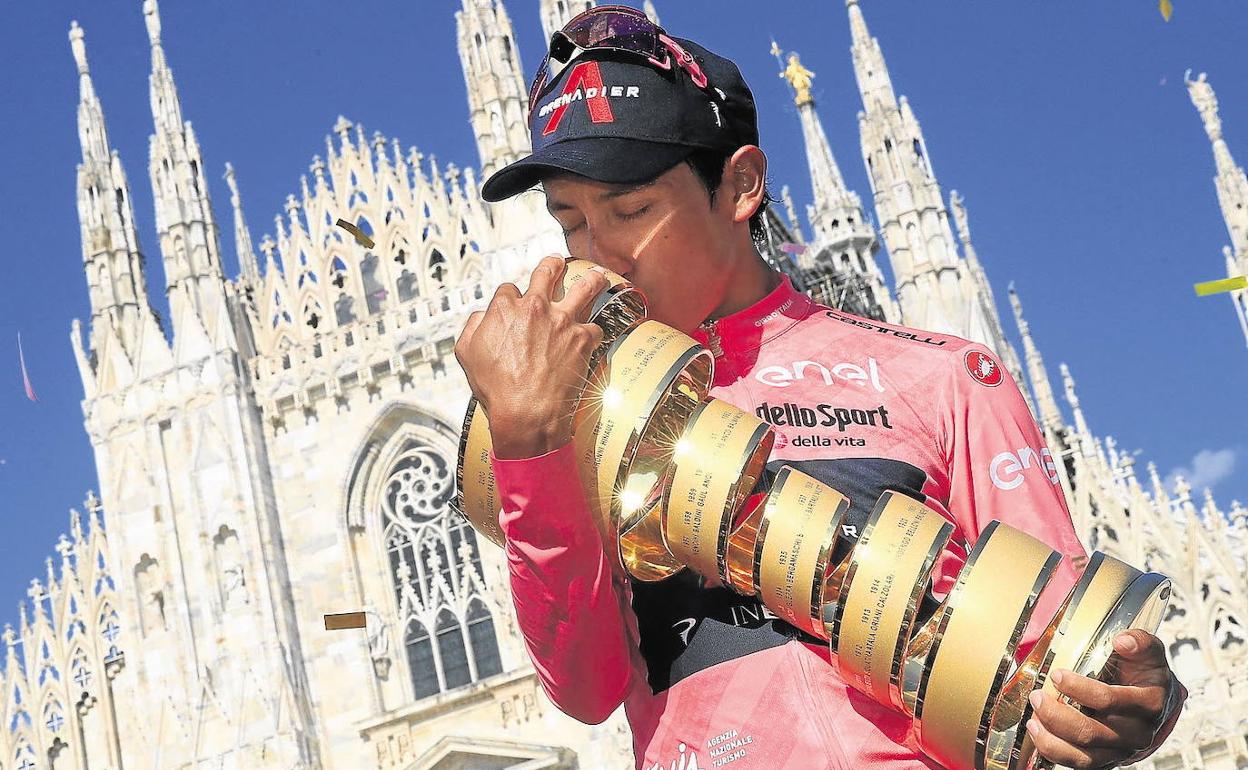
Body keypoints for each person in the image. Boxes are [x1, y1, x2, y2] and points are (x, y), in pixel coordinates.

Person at [454, 7, 1185, 769]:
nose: (599, 255)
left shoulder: (941, 376)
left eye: (631, 209)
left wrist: (1133, 699)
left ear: (740, 186)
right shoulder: (577, 417)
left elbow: (1060, 651)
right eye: (569, 221)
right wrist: (528, 444)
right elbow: (584, 687)